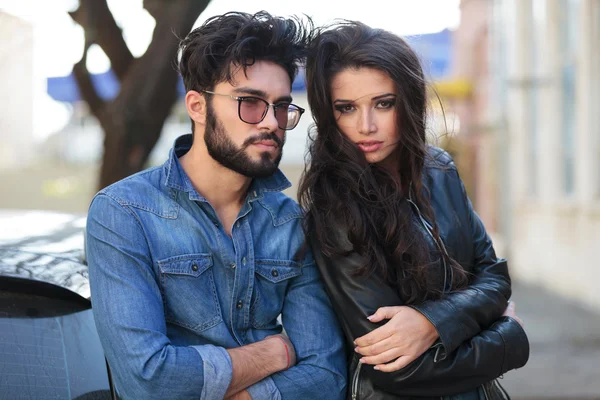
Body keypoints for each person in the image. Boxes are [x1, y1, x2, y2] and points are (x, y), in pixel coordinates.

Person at [85, 11, 346, 400]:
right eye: (250, 102)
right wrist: (275, 352)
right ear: (197, 106)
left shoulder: (290, 222)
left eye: (281, 106)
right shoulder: (124, 213)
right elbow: (147, 381)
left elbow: (327, 377)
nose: (272, 122)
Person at [299, 21, 529, 399]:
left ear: (407, 101)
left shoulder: (439, 170)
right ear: (329, 114)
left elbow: (494, 279)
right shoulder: (334, 209)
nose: (366, 126)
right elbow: (399, 371)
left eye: (383, 103)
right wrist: (510, 338)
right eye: (346, 108)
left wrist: (432, 322)